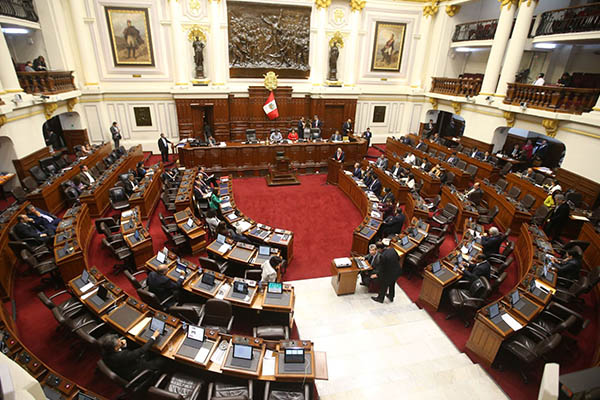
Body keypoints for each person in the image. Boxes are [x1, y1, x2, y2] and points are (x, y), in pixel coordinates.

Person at [100, 331, 165, 382]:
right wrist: (153, 337)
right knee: (161, 360)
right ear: (115, 348)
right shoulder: (123, 355)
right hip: (136, 372)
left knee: (146, 352)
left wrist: (123, 345)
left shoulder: (105, 352)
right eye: (119, 341)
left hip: (123, 368)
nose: (120, 340)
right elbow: (141, 351)